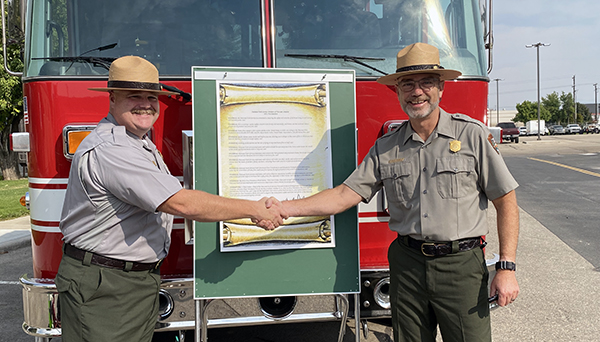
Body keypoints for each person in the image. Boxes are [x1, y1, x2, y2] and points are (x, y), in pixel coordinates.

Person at [265, 43, 520, 342]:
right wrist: (285, 208)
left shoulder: (471, 135)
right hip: (407, 265)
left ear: (441, 88)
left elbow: (506, 201)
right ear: (397, 92)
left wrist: (506, 267)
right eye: (407, 84)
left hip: (460, 266)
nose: (417, 92)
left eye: (426, 82)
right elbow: (344, 195)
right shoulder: (387, 147)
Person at [55, 56, 287, 342]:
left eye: (151, 96)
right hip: (106, 288)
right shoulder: (113, 150)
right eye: (134, 96)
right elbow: (181, 203)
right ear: (112, 98)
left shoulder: (137, 141)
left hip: (124, 283)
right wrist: (254, 209)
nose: (146, 104)